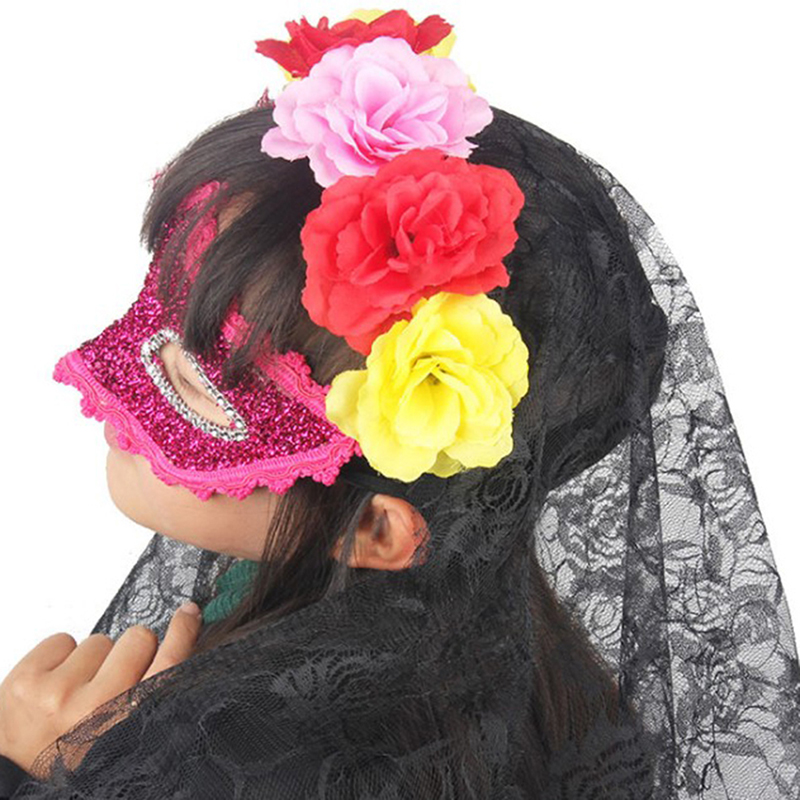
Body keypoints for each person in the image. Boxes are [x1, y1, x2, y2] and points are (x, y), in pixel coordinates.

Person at [1, 9, 798, 798]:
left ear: (377, 530)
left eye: (196, 385)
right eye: (159, 305)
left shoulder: (236, 764)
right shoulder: (509, 663)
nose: (108, 378)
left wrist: (37, 761)